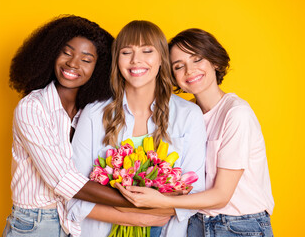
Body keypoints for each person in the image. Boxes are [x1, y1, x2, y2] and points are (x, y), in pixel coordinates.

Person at [2, 15, 168, 237]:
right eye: (67, 53)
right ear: (51, 53)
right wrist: (138, 202)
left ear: (98, 67)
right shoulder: (32, 107)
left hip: (73, 222)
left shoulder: (91, 112)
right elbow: (63, 180)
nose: (73, 63)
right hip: (34, 223)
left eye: (86, 59)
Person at [116, 28, 275, 237]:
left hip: (238, 226)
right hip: (195, 223)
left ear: (215, 62)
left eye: (197, 60)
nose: (189, 71)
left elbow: (221, 196)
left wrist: (162, 201)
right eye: (179, 66)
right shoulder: (186, 114)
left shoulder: (236, 113)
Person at [66, 21, 206, 237]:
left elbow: (193, 198)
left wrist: (119, 201)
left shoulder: (188, 114)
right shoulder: (94, 113)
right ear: (117, 60)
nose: (136, 60)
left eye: (147, 51)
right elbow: (74, 194)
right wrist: (136, 216)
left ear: (162, 59)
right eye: (126, 52)